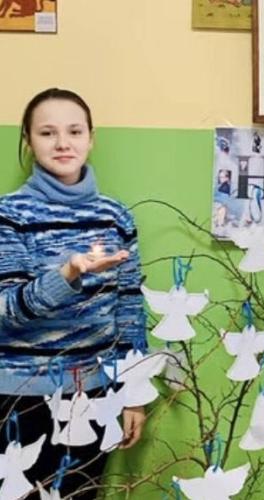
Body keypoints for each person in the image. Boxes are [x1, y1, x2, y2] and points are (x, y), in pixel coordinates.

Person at [0, 88, 147, 498]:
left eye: (74, 131)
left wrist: (134, 394)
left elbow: (130, 311)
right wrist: (68, 274)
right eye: (47, 133)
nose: (63, 143)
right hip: (18, 397)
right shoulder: (9, 214)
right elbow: (7, 310)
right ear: (28, 141)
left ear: (91, 138)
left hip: (94, 394)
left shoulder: (116, 217)